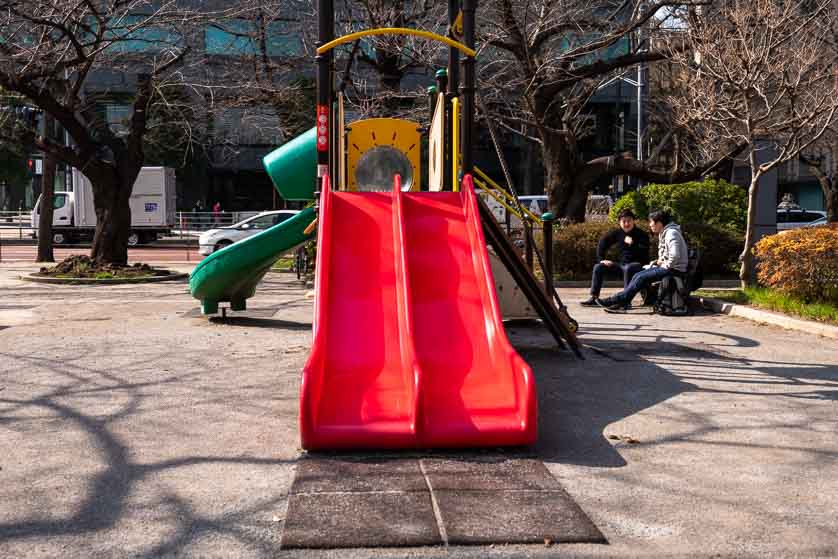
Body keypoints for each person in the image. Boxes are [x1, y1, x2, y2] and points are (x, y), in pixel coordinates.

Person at [596, 209, 688, 311]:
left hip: (674, 270)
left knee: (641, 278)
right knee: (638, 275)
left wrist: (664, 265)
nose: (650, 225)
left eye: (651, 222)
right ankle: (622, 301)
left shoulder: (671, 233)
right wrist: (659, 261)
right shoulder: (666, 232)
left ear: (659, 223)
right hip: (670, 267)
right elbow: (670, 256)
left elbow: (675, 256)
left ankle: (615, 300)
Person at [580, 209, 650, 306]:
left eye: (629, 221)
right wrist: (602, 259)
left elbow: (644, 253)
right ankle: (594, 298)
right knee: (598, 267)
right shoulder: (618, 233)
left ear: (634, 221)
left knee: (629, 268)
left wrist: (633, 244)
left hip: (638, 267)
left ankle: (626, 300)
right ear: (619, 222)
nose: (626, 224)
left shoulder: (641, 234)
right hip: (622, 266)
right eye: (623, 221)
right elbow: (602, 243)